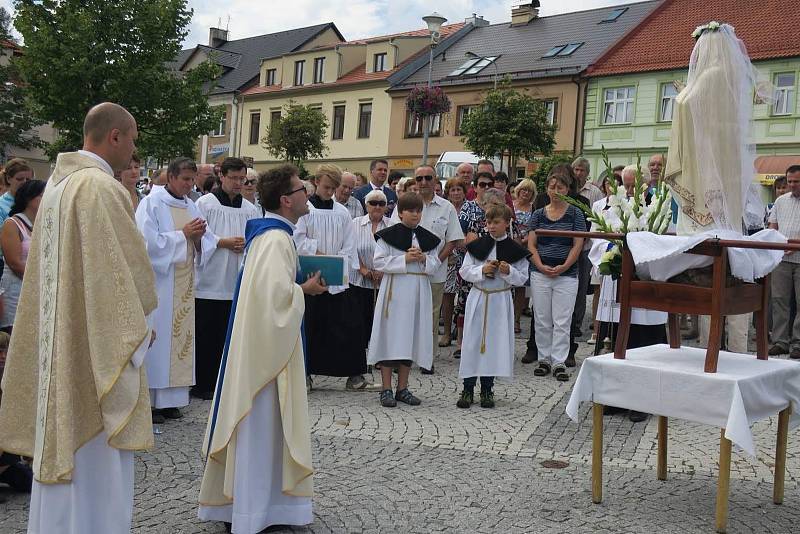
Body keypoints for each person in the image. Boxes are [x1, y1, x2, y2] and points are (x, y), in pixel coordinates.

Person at [0, 102, 158, 533]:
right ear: (115, 137)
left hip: (62, 340)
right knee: (96, 463)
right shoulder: (102, 189)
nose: (134, 149)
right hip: (94, 351)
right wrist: (137, 333)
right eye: (134, 139)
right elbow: (124, 276)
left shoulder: (57, 185)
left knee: (64, 450)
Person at [198, 164, 325, 534]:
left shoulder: (269, 236)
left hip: (261, 349)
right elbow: (274, 302)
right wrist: (305, 291)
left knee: (261, 431)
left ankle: (255, 506)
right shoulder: (275, 240)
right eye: (302, 189)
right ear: (286, 200)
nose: (308, 193)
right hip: (267, 360)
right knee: (263, 428)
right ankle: (256, 511)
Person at [136, 157, 216, 423]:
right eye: (184, 179)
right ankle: (150, 403)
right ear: (170, 177)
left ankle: (172, 401)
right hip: (161, 284)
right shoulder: (152, 203)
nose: (189, 184)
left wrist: (200, 237)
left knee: (180, 341)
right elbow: (146, 244)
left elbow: (207, 239)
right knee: (160, 344)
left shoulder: (191, 204)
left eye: (192, 179)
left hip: (183, 283)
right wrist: (182, 234)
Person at [192, 157, 260, 400]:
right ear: (221, 176)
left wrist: (246, 244)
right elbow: (198, 235)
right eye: (234, 178)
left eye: (243, 179)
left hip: (235, 277)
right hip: (210, 278)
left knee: (228, 335)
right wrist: (223, 242)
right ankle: (202, 384)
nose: (239, 183)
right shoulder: (206, 203)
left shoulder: (250, 209)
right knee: (206, 333)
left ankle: (225, 383)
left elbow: (255, 238)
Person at [294, 164, 366, 390]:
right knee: (309, 326)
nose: (330, 191)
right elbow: (298, 238)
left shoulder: (342, 212)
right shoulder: (305, 209)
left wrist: (338, 262)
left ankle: (353, 374)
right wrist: (320, 255)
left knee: (348, 325)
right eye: (326, 186)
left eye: (334, 187)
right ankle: (304, 373)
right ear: (316, 182)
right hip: (310, 275)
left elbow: (349, 244)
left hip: (336, 277)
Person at [368, 193, 441, 407]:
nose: (415, 215)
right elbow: (379, 262)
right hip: (395, 292)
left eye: (419, 211)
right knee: (392, 338)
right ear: (400, 213)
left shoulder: (428, 238)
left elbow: (436, 265)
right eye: (411, 211)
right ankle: (385, 389)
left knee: (410, 338)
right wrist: (404, 259)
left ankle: (403, 388)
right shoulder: (388, 236)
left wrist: (424, 258)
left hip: (418, 291)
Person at [390, 165, 464, 374]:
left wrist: (435, 262)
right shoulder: (404, 204)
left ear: (435, 180)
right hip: (407, 270)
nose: (423, 182)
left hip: (434, 271)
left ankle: (426, 359)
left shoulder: (446, 207)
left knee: (430, 317)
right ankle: (403, 357)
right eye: (419, 178)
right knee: (406, 314)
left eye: (427, 178)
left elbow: (452, 240)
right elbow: (395, 234)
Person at [457, 204, 529, 409]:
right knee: (472, 343)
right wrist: (482, 270)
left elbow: (522, 277)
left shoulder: (515, 250)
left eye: (496, 222)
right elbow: (465, 271)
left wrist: (508, 271)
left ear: (507, 223)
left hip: (499, 300)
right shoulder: (477, 246)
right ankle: (468, 388)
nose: (491, 226)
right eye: (489, 222)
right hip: (479, 298)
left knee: (493, 345)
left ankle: (487, 389)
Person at [528, 172, 585, 382]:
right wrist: (541, 266)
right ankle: (544, 358)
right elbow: (532, 244)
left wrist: (564, 266)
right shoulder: (539, 214)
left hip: (566, 274)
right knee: (542, 318)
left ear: (567, 189)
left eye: (560, 187)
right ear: (547, 189)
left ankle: (559, 360)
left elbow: (578, 244)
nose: (556, 191)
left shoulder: (576, 214)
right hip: (540, 273)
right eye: (552, 187)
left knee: (562, 320)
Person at [350, 189, 392, 362]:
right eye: (373, 203)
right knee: (360, 321)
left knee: (381, 321)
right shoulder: (354, 223)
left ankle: (379, 357)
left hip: (384, 281)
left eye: (381, 203)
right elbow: (350, 248)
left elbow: (395, 251)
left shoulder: (392, 225)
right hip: (359, 280)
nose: (377, 206)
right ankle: (360, 357)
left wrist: (383, 270)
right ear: (366, 205)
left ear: (386, 207)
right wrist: (363, 269)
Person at [0, 179, 46, 334]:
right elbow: (14, 263)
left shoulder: (43, 224)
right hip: (16, 291)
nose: (46, 199)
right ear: (28, 198)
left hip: (37, 290)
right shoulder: (12, 224)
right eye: (42, 195)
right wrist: (43, 279)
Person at [769, 165, 800, 358]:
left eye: (796, 182)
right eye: (789, 181)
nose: (792, 185)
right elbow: (772, 228)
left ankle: (798, 343)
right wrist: (776, 244)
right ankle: (780, 341)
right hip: (781, 258)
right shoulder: (780, 202)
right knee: (779, 300)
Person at [441, 178, 468, 348]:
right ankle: (446, 332)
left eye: (459, 189)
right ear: (448, 192)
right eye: (453, 190)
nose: (456, 193)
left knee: (463, 298)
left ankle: (461, 335)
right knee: (448, 296)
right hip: (448, 256)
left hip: (466, 257)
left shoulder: (470, 208)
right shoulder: (444, 208)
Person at [512, 179, 536, 333]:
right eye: (523, 190)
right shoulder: (510, 206)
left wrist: (523, 240)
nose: (525, 193)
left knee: (521, 286)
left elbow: (534, 229)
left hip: (525, 249)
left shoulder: (534, 209)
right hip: (510, 247)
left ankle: (516, 319)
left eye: (529, 191)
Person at [0, 159, 33, 224]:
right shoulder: (1, 205)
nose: (24, 182)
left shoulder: (34, 202)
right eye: (19, 179)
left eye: (28, 179)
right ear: (8, 179)